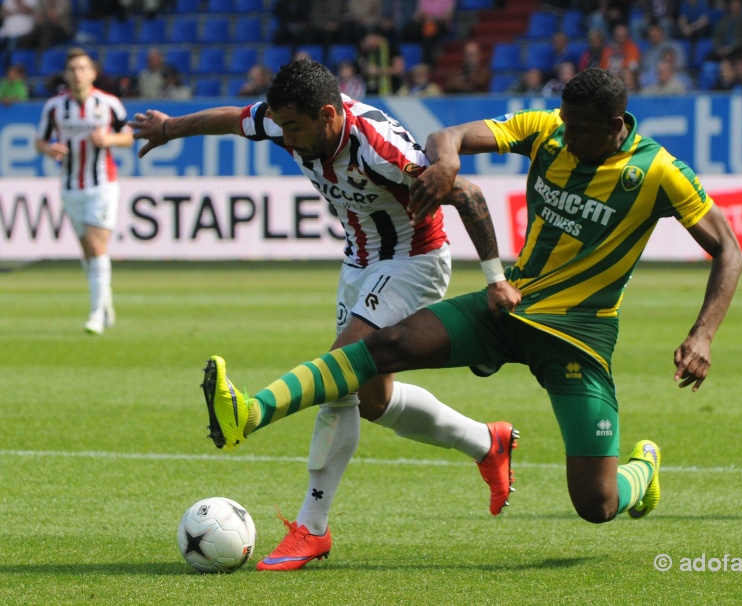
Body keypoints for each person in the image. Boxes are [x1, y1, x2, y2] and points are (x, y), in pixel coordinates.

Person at [202, 67, 742, 538]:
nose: (566, 135)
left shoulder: (658, 172)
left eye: (580, 130)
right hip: (511, 306)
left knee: (595, 504)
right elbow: (449, 132)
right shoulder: (548, 130)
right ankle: (254, 410)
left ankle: (642, 471)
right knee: (385, 344)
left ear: (615, 126)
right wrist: (446, 164)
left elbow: (728, 251)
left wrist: (703, 335)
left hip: (578, 335)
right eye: (564, 121)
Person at [129, 59, 521, 570]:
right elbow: (230, 119)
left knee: (338, 377)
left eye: (294, 128)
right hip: (358, 262)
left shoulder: (380, 149)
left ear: (329, 115)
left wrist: (496, 279)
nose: (286, 139)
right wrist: (169, 128)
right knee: (374, 401)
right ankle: (486, 442)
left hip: (412, 261)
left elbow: (467, 194)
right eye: (281, 126)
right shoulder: (285, 120)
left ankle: (309, 522)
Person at [35, 47, 134, 334]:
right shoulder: (54, 107)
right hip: (69, 186)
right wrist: (49, 148)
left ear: (92, 73)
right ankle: (105, 301)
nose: (77, 74)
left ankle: (95, 315)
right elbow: (39, 141)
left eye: (82, 68)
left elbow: (128, 138)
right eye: (72, 69)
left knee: (95, 244)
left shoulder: (109, 104)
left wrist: (108, 138)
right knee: (88, 251)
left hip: (102, 184)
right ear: (66, 75)